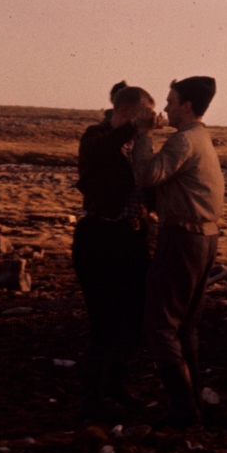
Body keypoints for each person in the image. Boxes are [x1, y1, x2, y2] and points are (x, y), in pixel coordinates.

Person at [132, 76, 224, 427]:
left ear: (187, 107)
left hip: (184, 239)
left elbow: (146, 175)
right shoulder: (199, 138)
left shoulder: (184, 141)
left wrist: (143, 134)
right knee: (186, 326)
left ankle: (184, 409)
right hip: (205, 238)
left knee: (159, 326)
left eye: (171, 102)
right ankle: (193, 401)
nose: (166, 108)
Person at [73, 84, 155, 420]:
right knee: (103, 322)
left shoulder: (135, 144)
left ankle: (116, 387)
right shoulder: (96, 135)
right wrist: (134, 128)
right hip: (100, 238)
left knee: (133, 319)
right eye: (145, 114)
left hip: (132, 238)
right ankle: (93, 399)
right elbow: (102, 152)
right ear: (131, 112)